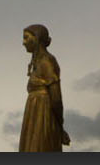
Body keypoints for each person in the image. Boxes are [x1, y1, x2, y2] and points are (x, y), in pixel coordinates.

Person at [17, 24, 71, 152]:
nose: (23, 43)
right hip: (34, 112)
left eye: (26, 38)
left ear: (36, 39)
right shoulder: (37, 63)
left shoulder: (47, 61)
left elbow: (56, 98)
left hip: (43, 114)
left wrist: (59, 126)